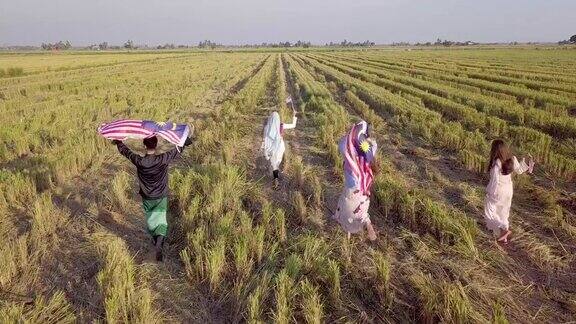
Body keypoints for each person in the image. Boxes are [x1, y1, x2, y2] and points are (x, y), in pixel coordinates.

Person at [112, 135, 192, 261]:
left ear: (144, 146)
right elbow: (177, 150)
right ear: (156, 145)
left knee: (151, 219)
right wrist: (185, 141)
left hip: (147, 195)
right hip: (161, 195)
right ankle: (159, 243)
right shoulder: (163, 159)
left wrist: (118, 142)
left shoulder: (139, 161)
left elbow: (126, 152)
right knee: (160, 218)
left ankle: (156, 241)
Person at [333, 120, 378, 241]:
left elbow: (342, 143)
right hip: (361, 187)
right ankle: (366, 225)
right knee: (360, 208)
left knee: (346, 206)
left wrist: (353, 134)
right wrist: (362, 139)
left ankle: (350, 228)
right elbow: (370, 148)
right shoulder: (370, 148)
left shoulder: (348, 148)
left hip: (351, 188)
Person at [484, 139, 534, 244]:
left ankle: (503, 230)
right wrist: (525, 161)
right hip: (508, 190)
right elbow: (520, 170)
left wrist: (489, 192)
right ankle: (504, 238)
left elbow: (494, 181)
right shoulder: (512, 159)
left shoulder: (497, 162)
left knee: (490, 213)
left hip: (498, 190)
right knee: (504, 212)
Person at [262, 110, 297, 189]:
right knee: (277, 161)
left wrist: (264, 151)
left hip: (270, 147)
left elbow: (264, 139)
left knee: (273, 163)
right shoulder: (281, 125)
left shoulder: (267, 127)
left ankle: (275, 177)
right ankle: (276, 175)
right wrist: (294, 115)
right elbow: (293, 125)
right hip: (280, 146)